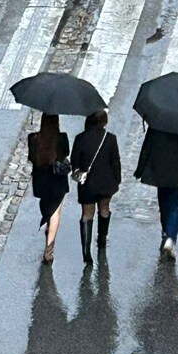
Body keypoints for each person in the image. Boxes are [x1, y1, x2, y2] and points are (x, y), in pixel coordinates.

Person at [134, 126, 178, 260]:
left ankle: (166, 232)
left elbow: (147, 146)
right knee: (176, 204)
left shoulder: (157, 122)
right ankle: (170, 238)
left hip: (160, 166)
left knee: (163, 200)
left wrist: (140, 169)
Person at [71, 109, 121, 266]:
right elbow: (115, 162)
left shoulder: (80, 138)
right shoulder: (110, 139)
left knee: (87, 214)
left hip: (88, 184)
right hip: (107, 182)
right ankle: (102, 239)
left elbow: (74, 161)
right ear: (104, 122)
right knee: (104, 209)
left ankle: (86, 251)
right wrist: (117, 180)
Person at [28, 114, 70, 264]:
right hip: (57, 181)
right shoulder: (62, 138)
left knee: (48, 207)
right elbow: (66, 154)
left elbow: (32, 158)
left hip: (41, 181)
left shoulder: (33, 138)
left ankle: (48, 227)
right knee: (55, 213)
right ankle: (48, 252)